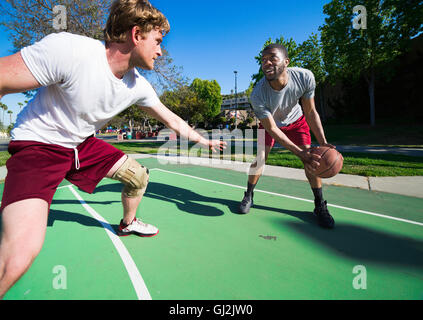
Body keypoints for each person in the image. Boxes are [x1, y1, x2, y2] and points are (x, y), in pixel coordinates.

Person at [0, 0, 225, 299]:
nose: (161, 51)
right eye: (157, 41)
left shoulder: (138, 86)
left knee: (138, 176)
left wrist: (203, 140)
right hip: (40, 146)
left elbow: (171, 118)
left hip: (81, 144)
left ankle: (128, 224)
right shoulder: (70, 51)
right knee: (18, 257)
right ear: (136, 34)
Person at [238, 43, 335, 229]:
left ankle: (319, 205)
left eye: (272, 58)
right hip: (271, 124)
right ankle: (248, 195)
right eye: (263, 60)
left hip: (297, 121)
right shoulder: (257, 94)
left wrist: (323, 143)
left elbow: (311, 111)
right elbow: (273, 129)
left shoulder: (305, 77)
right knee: (259, 159)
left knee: (312, 160)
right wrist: (299, 153)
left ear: (286, 62)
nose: (266, 63)